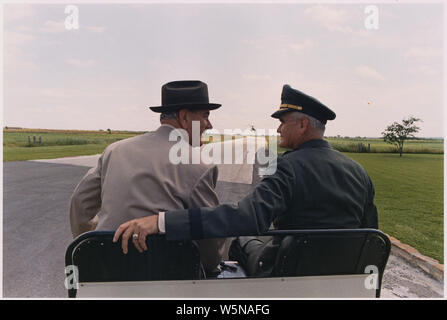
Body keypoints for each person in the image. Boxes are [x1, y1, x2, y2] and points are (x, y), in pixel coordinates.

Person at [113, 84, 379, 277]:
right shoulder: (358, 171)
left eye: (283, 121)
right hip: (346, 274)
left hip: (291, 270)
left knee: (242, 240)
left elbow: (248, 217)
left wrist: (161, 221)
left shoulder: (285, 167)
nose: (277, 129)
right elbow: (370, 235)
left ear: (302, 126)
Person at [70, 80, 225, 274]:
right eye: (205, 116)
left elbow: (80, 203)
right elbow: (208, 236)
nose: (208, 125)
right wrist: (210, 265)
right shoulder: (200, 165)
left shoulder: (114, 151)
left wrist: (97, 242)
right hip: (170, 277)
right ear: (184, 117)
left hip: (108, 269)